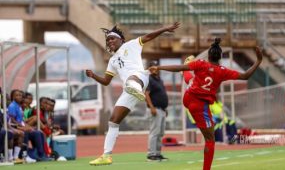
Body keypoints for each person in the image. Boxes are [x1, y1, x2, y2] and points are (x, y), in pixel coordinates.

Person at [149, 38, 262, 170]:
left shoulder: (201, 63)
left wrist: (159, 67)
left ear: (208, 56)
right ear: (220, 57)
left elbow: (178, 67)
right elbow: (245, 76)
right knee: (210, 139)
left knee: (191, 79)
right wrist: (258, 61)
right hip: (199, 105)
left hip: (188, 97)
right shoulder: (222, 71)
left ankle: (186, 73)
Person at [86, 22, 180, 165]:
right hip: (129, 90)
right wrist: (93, 75)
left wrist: (165, 29)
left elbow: (149, 36)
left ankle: (135, 89)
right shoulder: (112, 61)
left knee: (131, 80)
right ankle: (106, 155)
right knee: (113, 120)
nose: (110, 41)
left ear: (121, 39)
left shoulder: (131, 44)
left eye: (112, 38)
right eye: (108, 40)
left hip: (140, 78)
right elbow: (106, 81)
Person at [145, 60, 169, 161]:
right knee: (154, 132)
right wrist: (151, 107)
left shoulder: (159, 79)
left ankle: (158, 153)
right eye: (153, 67)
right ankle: (151, 154)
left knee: (160, 133)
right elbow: (146, 94)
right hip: (155, 109)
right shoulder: (149, 79)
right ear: (149, 69)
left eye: (156, 66)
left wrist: (165, 108)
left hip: (162, 109)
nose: (155, 68)